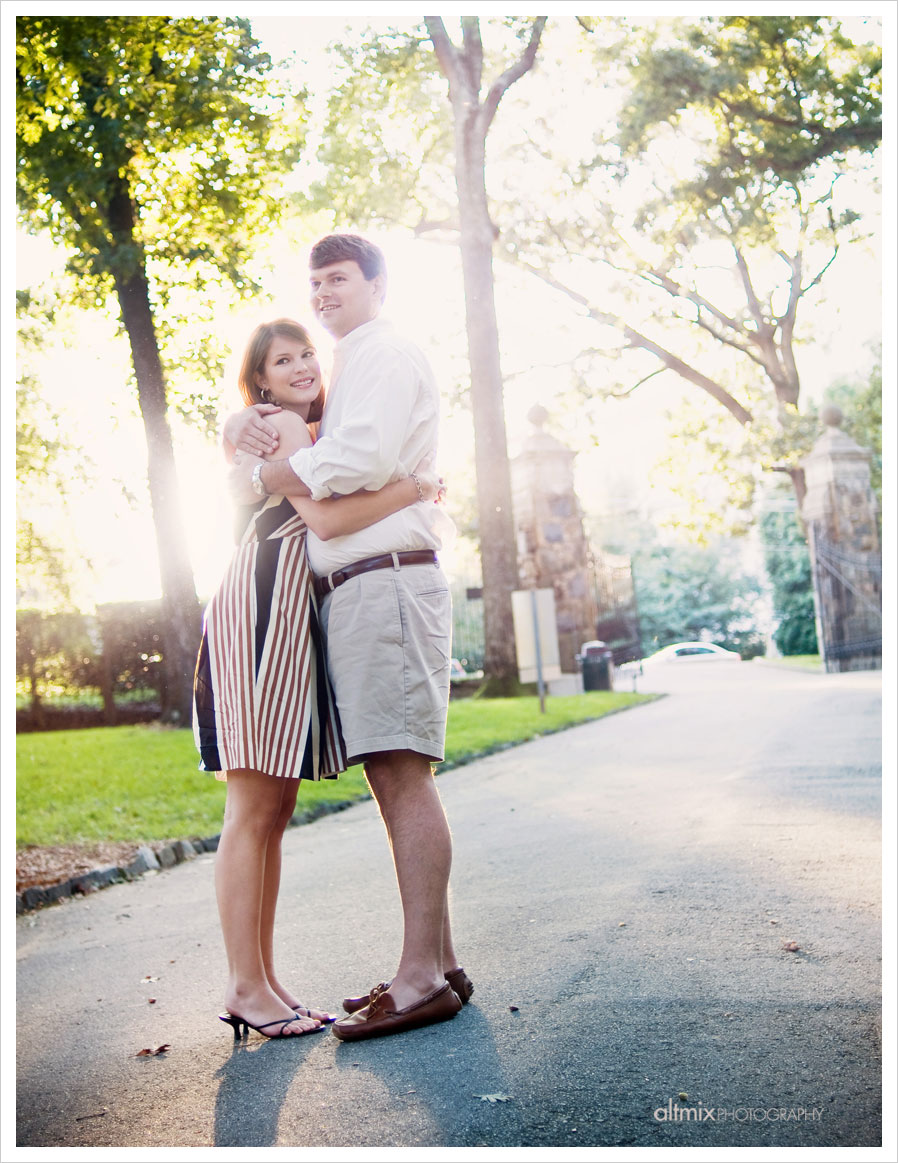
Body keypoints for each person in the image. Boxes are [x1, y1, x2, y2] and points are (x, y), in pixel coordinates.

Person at [226, 234, 471, 1041]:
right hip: (353, 590)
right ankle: (435, 962)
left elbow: (350, 466)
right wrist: (263, 449)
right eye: (315, 282)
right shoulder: (351, 370)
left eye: (337, 279)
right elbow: (312, 466)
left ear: (374, 284)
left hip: (385, 581)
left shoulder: (380, 354)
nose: (323, 292)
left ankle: (421, 976)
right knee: (394, 772)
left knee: (402, 773)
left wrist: (287, 464)